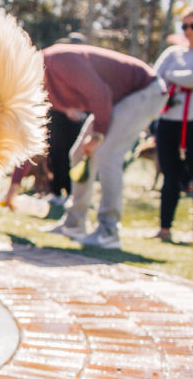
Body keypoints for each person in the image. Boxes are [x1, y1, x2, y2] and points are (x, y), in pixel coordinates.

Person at [45, 43, 169, 249]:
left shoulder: (58, 60)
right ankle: (74, 222)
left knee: (107, 154)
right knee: (78, 154)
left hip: (144, 92)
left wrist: (98, 135)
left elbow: (100, 95)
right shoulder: (40, 82)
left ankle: (109, 230)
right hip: (117, 100)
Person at [152, 6, 193, 247]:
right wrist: (183, 75)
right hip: (169, 120)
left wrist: (174, 75)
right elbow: (156, 77)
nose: (189, 31)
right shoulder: (172, 52)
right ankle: (164, 227)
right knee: (170, 175)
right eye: (185, 26)